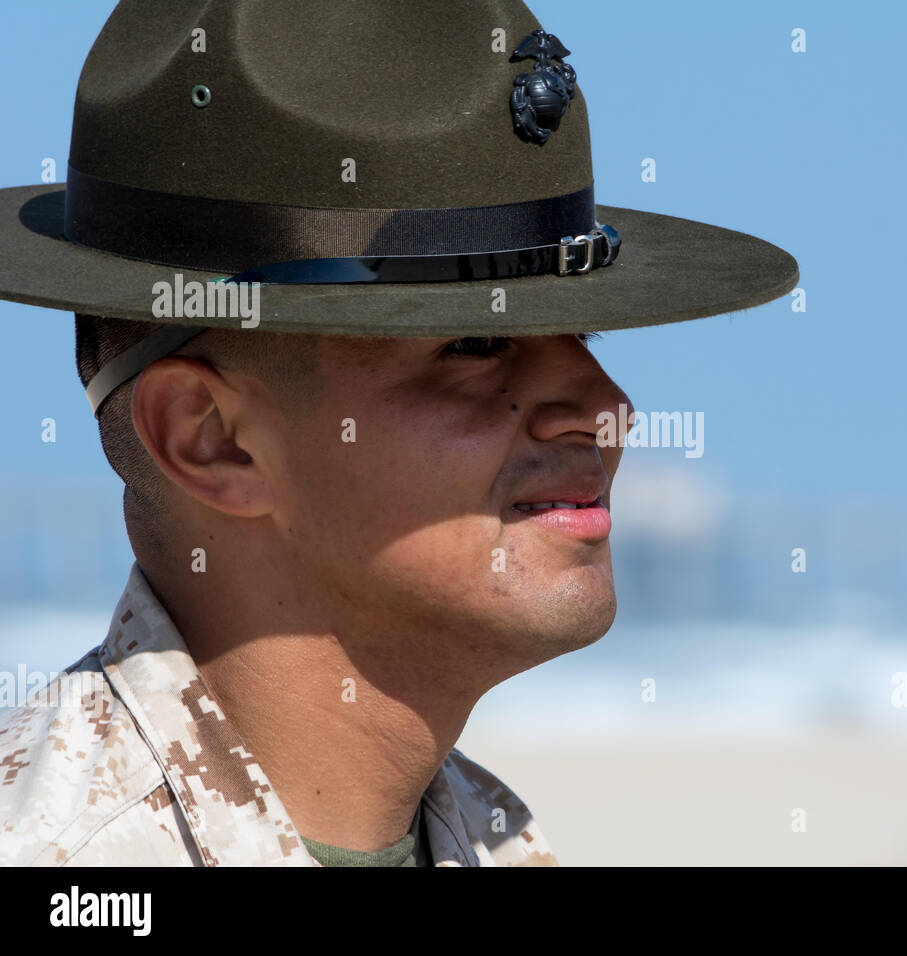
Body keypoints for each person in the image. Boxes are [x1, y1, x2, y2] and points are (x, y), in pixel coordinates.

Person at [0, 0, 797, 866]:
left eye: (585, 338)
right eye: (476, 346)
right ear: (211, 438)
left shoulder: (499, 841)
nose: (609, 409)